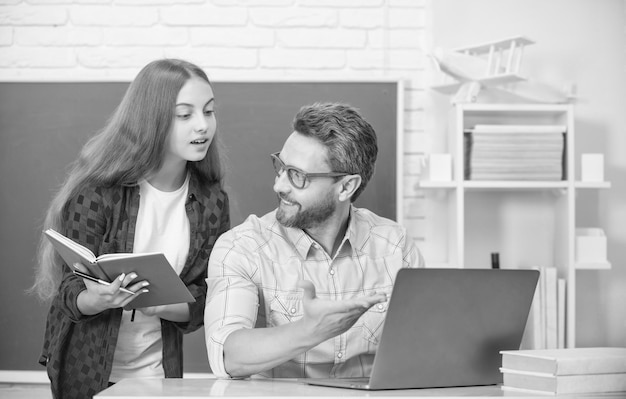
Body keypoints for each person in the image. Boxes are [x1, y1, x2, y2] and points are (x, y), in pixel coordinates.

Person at [30, 58, 230, 398]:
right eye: (185, 115)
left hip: (159, 374)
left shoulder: (212, 203)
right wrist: (97, 299)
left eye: (208, 111)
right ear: (151, 119)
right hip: (84, 370)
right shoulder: (98, 193)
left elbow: (207, 301)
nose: (202, 126)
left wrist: (161, 303)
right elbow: (68, 293)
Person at [205, 102, 424, 379]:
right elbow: (227, 355)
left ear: (346, 186)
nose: (279, 185)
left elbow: (423, 350)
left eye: (298, 176)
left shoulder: (396, 247)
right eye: (281, 167)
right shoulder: (242, 247)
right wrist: (309, 331)